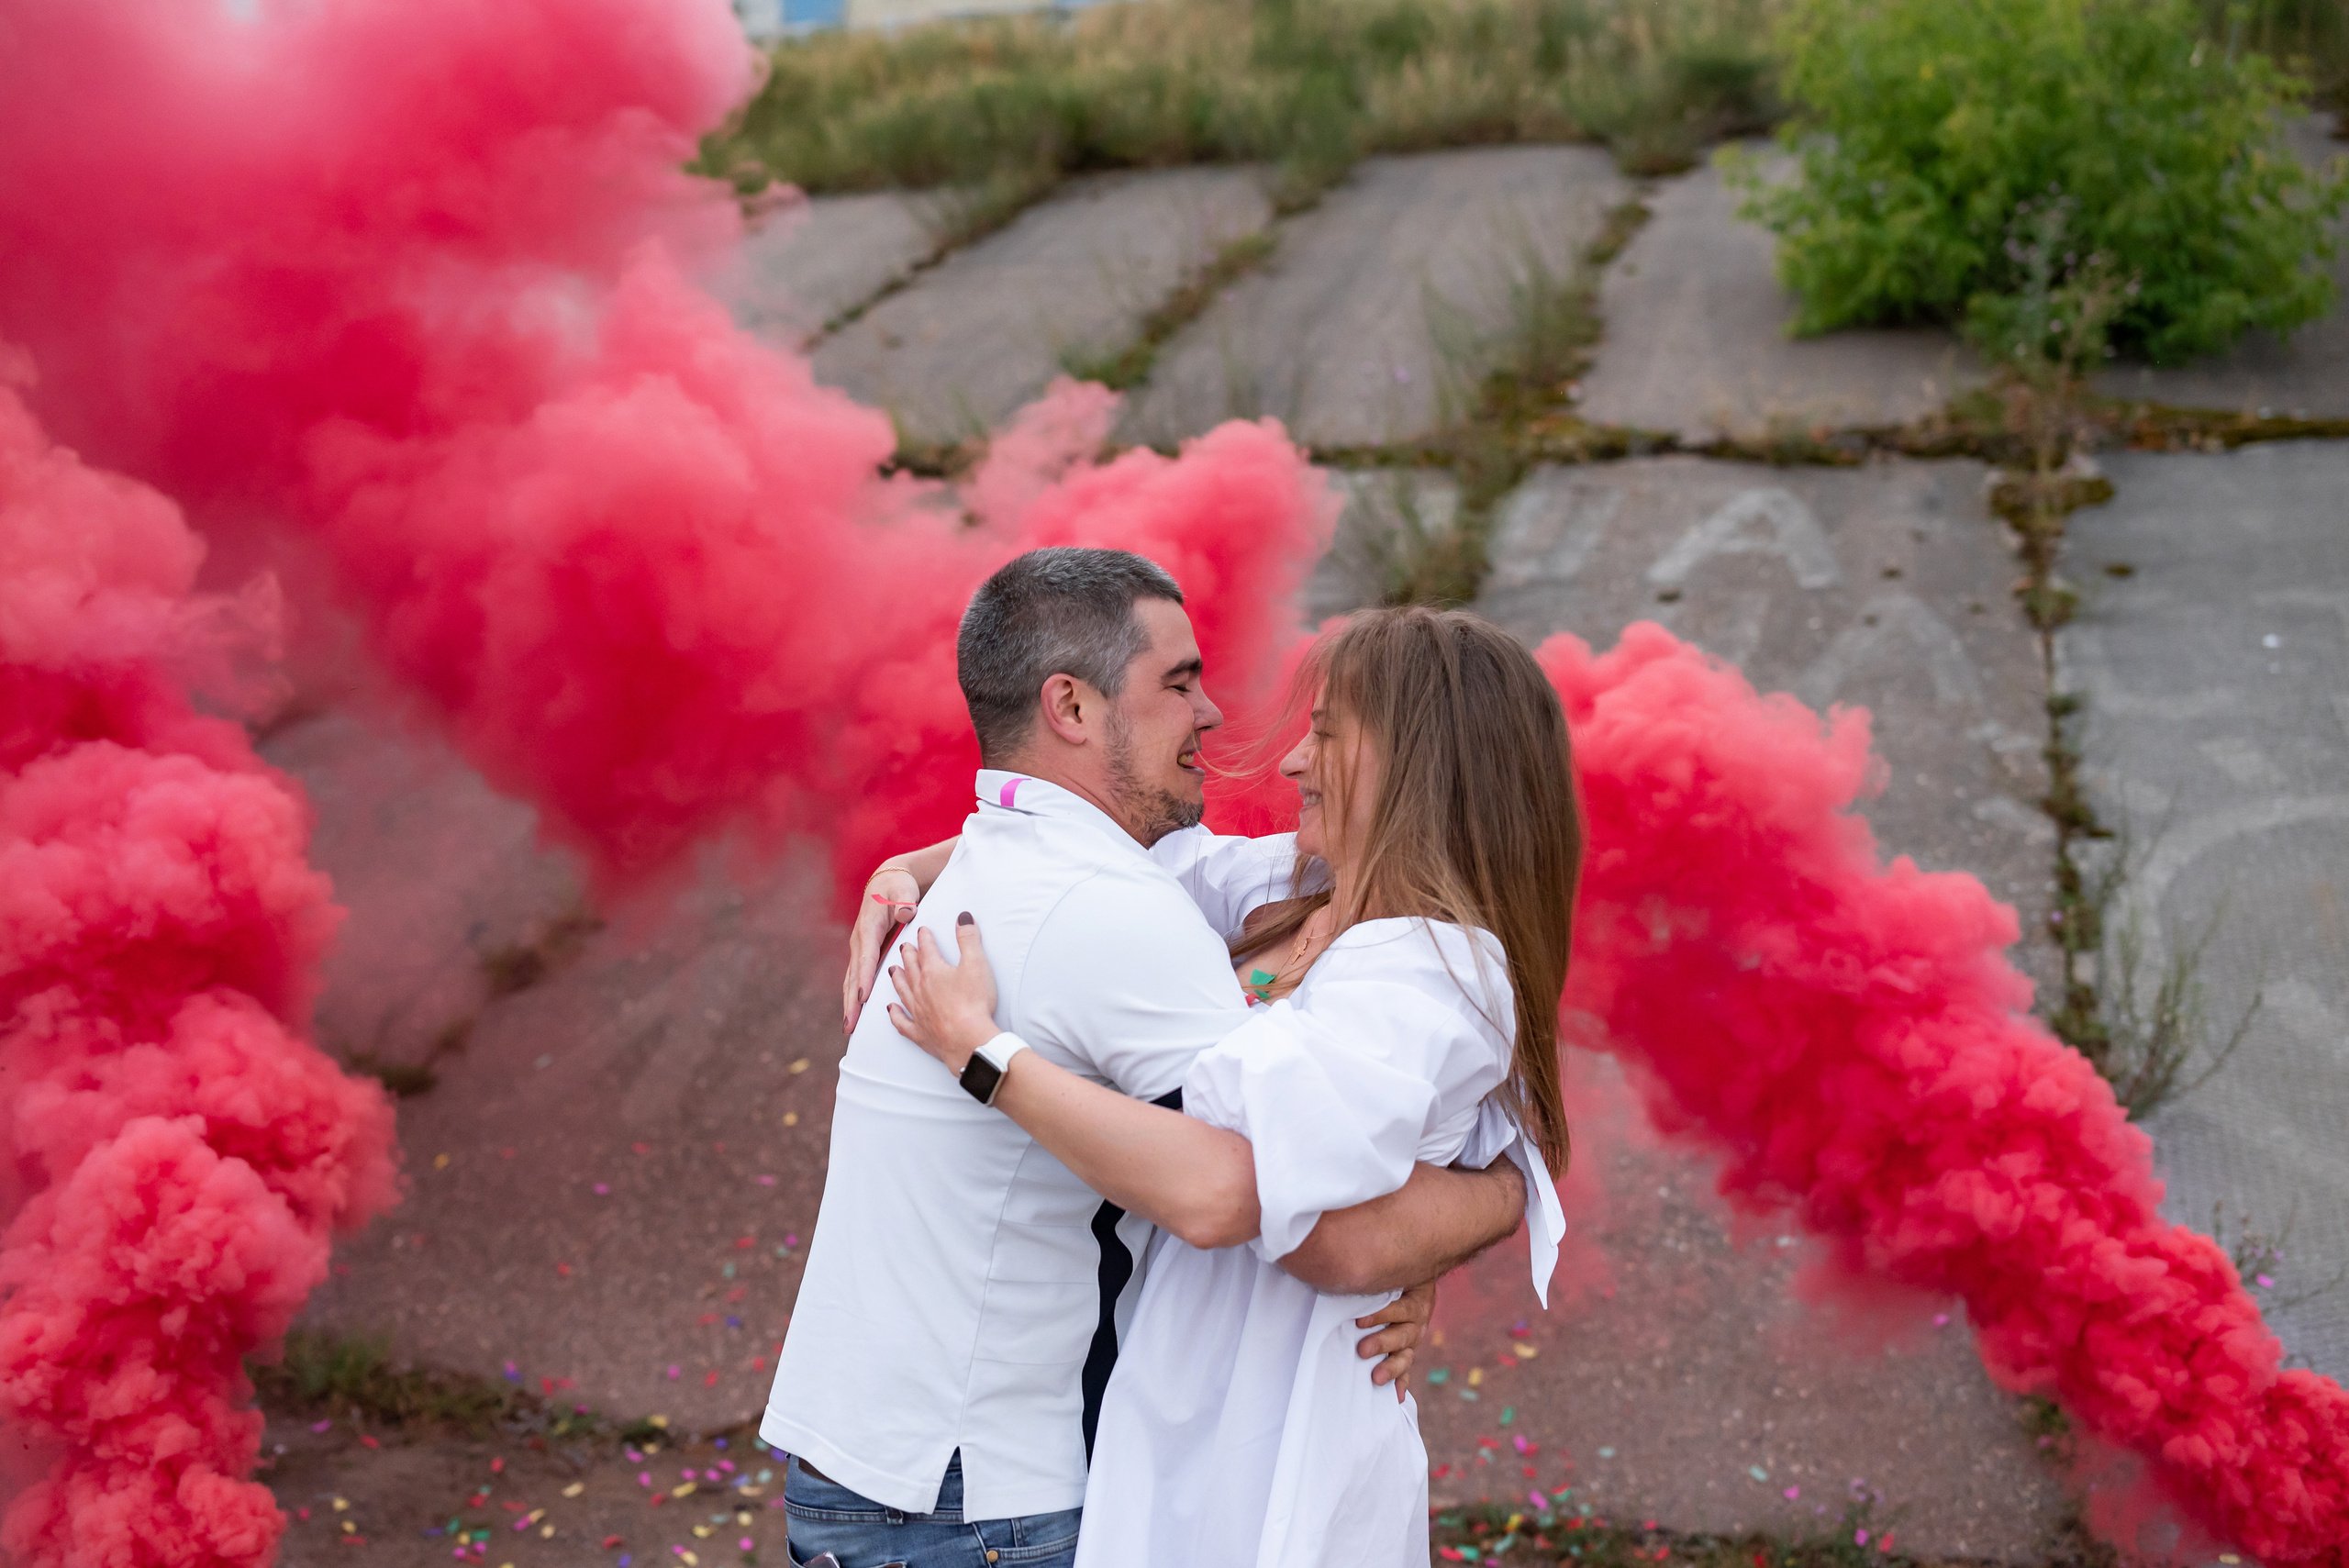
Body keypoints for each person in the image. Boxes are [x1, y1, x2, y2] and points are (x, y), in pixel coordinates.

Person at [763, 550, 1532, 1568]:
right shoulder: (1120, 907)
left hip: (917, 1464)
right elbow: (1243, 1198)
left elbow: (1316, 1200)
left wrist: (1458, 1208)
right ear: (1072, 707)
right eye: (1177, 683)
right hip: (972, 1494)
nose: (1221, 719)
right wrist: (1487, 1200)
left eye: (1325, 737)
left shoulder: (1059, 870)